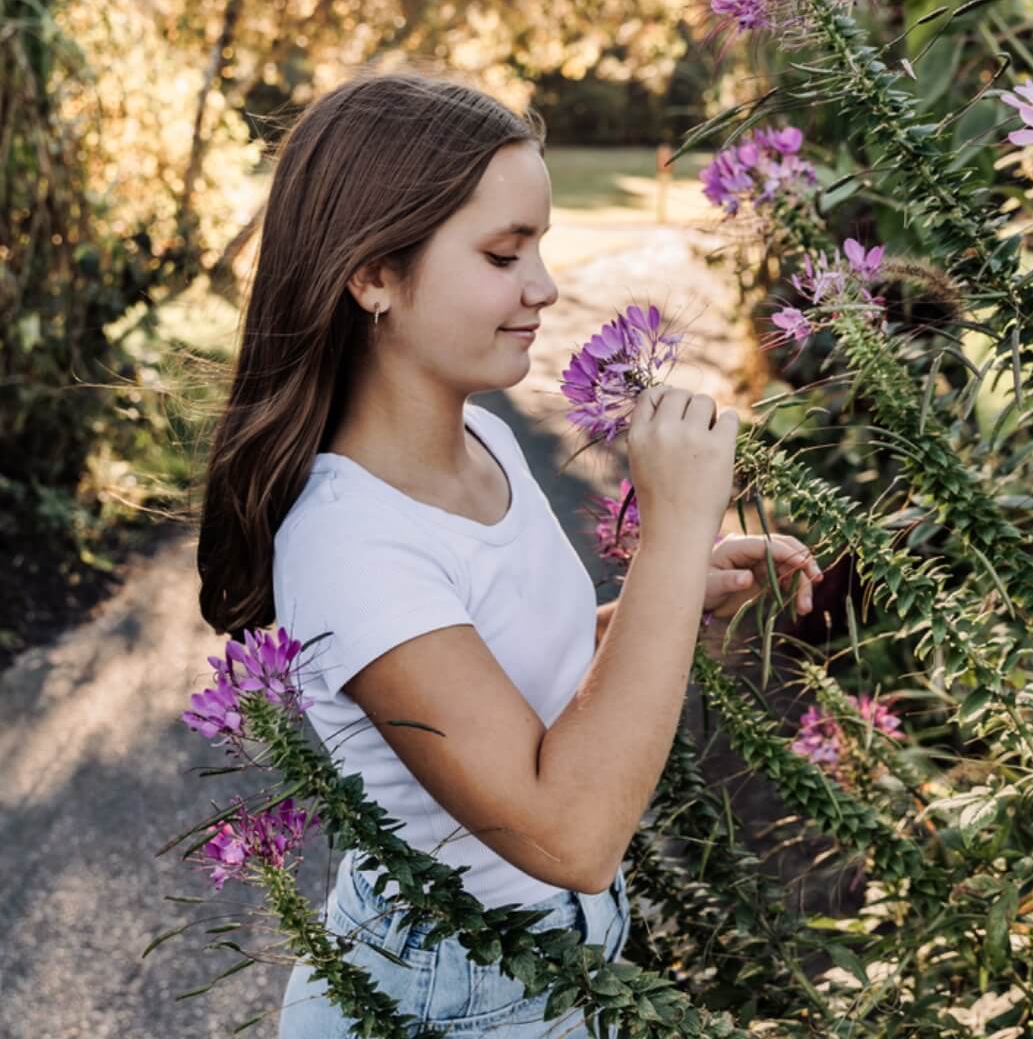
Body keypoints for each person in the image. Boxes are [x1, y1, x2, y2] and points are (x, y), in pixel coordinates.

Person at [195, 65, 822, 1038]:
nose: (544, 287)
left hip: (546, 967)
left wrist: (670, 599)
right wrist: (668, 537)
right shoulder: (350, 541)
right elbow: (566, 833)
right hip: (451, 994)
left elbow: (502, 684)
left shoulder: (480, 440)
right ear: (372, 275)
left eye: (540, 246)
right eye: (501, 253)